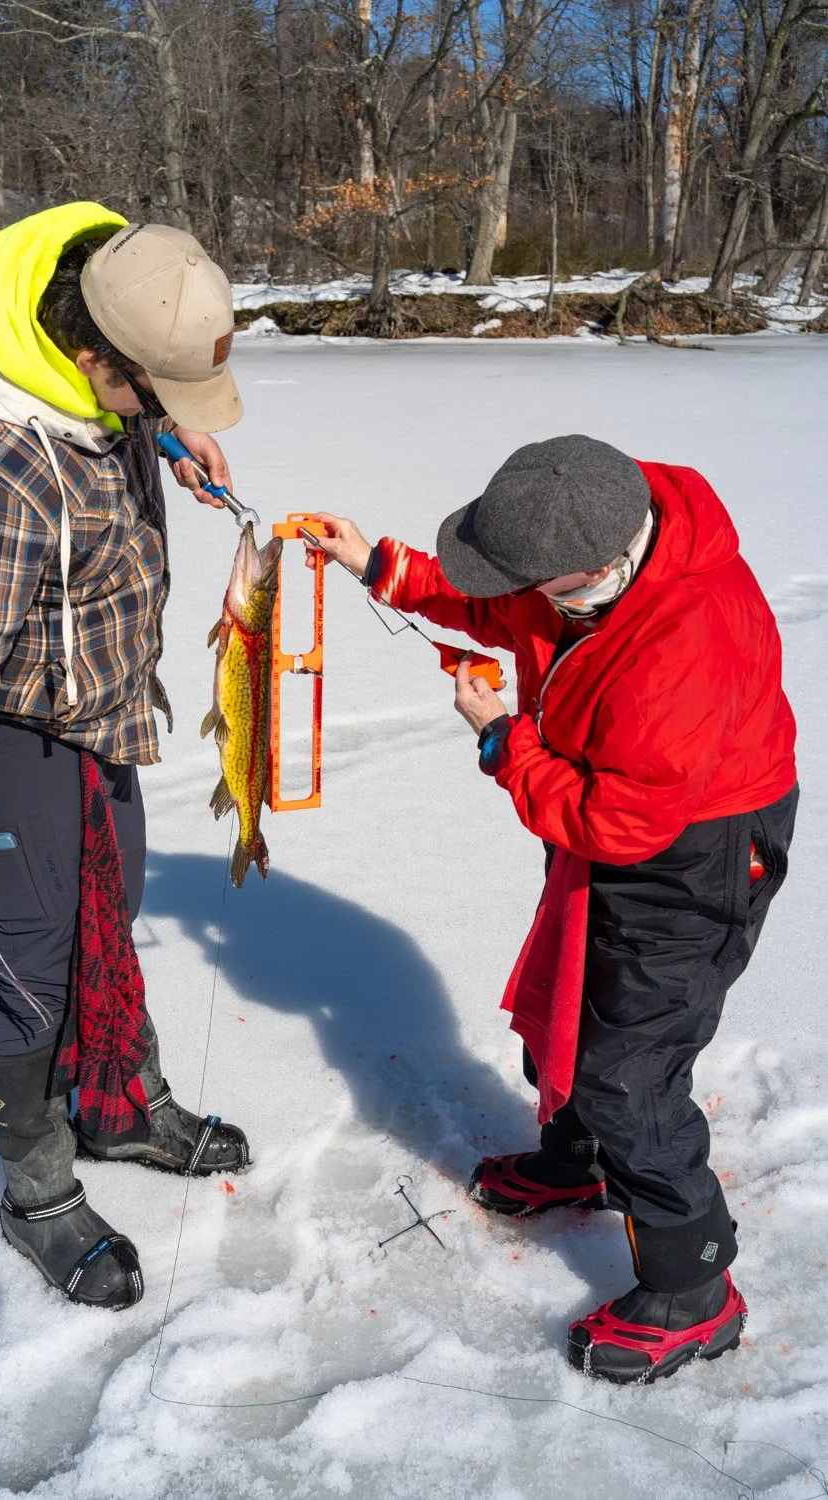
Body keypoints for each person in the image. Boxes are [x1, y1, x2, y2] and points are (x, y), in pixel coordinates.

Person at [309, 434, 797, 1384]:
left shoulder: (685, 647)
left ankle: (696, 1286)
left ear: (591, 569)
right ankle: (581, 1160)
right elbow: (502, 600)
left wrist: (504, 743)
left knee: (629, 1069)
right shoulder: (591, 536)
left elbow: (616, 822)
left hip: (691, 851)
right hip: (608, 807)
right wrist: (381, 566)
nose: (517, 593)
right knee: (572, 999)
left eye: (531, 580)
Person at [0, 202, 250, 1312]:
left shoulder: (101, 297)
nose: (161, 411)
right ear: (91, 360)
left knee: (112, 904)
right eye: (153, 394)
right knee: (30, 962)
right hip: (6, 729)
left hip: (95, 706)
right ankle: (37, 1190)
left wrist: (166, 433)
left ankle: (118, 1103)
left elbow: (114, 418)